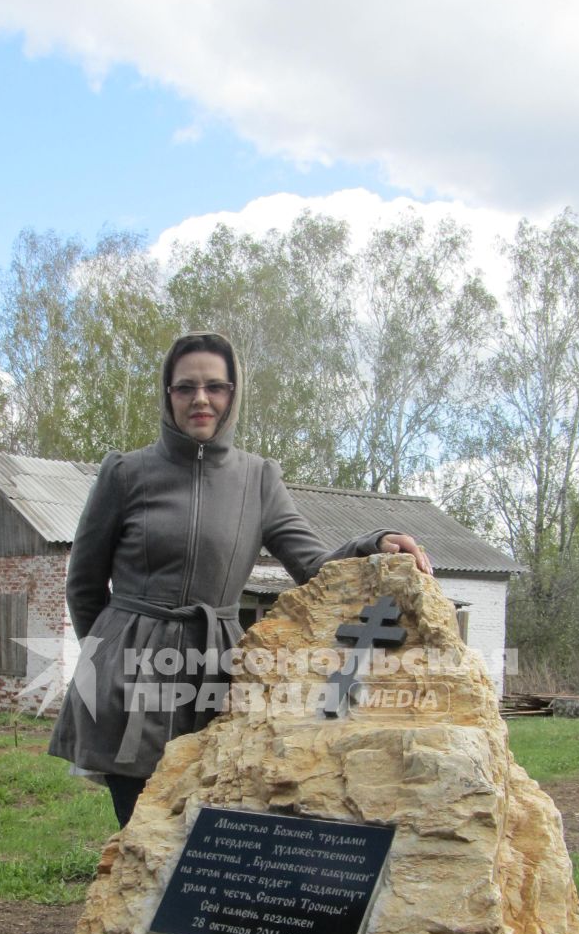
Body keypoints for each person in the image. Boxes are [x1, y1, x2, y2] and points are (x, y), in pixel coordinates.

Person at [49, 331, 432, 825]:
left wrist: (374, 542)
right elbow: (83, 584)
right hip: (128, 671)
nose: (200, 399)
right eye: (185, 387)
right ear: (168, 395)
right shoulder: (125, 473)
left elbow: (313, 566)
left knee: (213, 827)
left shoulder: (258, 478)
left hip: (219, 672)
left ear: (233, 394)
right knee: (142, 828)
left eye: (215, 387)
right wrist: (105, 658)